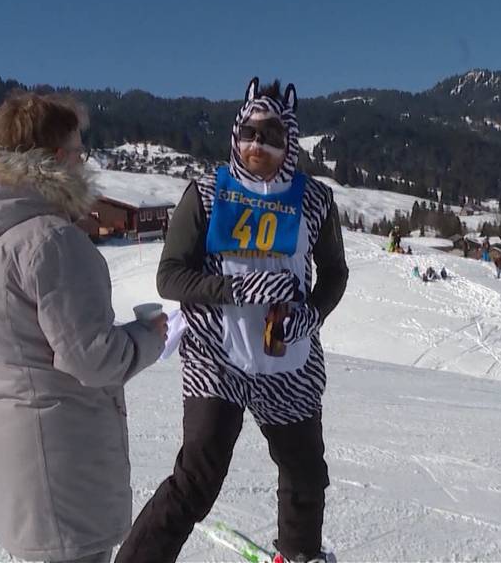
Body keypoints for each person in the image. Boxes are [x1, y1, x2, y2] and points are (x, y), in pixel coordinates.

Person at [116, 79, 348, 563]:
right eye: (248, 132)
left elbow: (334, 273)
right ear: (234, 133)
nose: (256, 144)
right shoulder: (206, 194)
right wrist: (234, 290)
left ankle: (300, 555)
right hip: (216, 357)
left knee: (305, 475)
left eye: (271, 135)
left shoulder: (315, 202)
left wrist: (311, 315)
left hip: (289, 360)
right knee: (197, 480)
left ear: (290, 143)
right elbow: (170, 277)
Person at [0, 93, 168, 563]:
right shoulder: (49, 239)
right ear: (55, 159)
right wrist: (150, 336)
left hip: (12, 452)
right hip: (61, 463)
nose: (83, 161)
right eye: (78, 149)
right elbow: (92, 358)